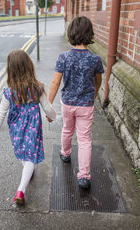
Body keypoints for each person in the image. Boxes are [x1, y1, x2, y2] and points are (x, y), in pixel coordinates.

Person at [0, 50, 56, 205]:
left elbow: (0, 113)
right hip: (33, 128)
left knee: (24, 154)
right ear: (29, 67)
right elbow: (47, 108)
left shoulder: (9, 92)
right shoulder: (37, 88)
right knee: (30, 156)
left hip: (16, 129)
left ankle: (25, 178)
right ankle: (21, 189)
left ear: (10, 70)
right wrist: (53, 117)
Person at [48, 16, 104, 189]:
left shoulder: (63, 58)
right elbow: (98, 81)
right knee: (84, 139)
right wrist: (93, 95)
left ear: (71, 33)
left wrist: (48, 105)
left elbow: (55, 83)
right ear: (90, 34)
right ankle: (84, 176)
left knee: (67, 129)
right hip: (86, 105)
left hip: (68, 103)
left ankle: (65, 153)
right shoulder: (95, 60)